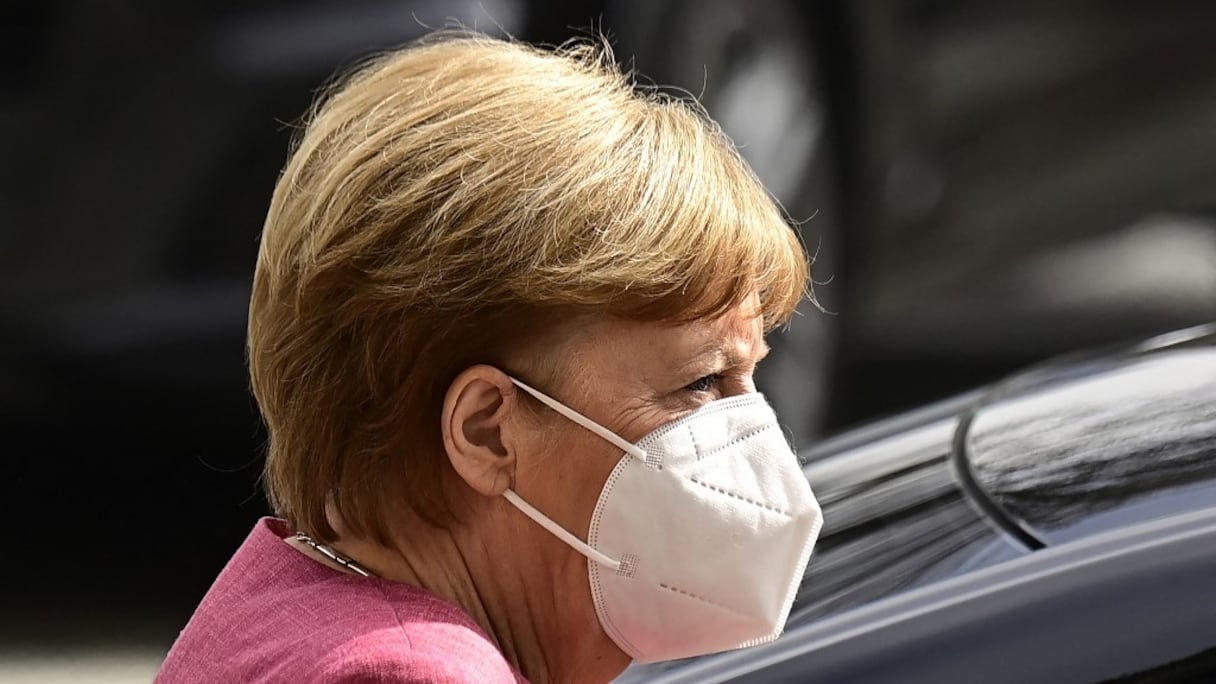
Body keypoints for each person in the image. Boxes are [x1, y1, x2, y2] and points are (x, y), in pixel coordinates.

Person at [157, 30, 823, 684]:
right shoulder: (411, 673)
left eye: (750, 376)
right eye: (701, 381)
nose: (756, 436)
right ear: (486, 430)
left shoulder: (288, 600)